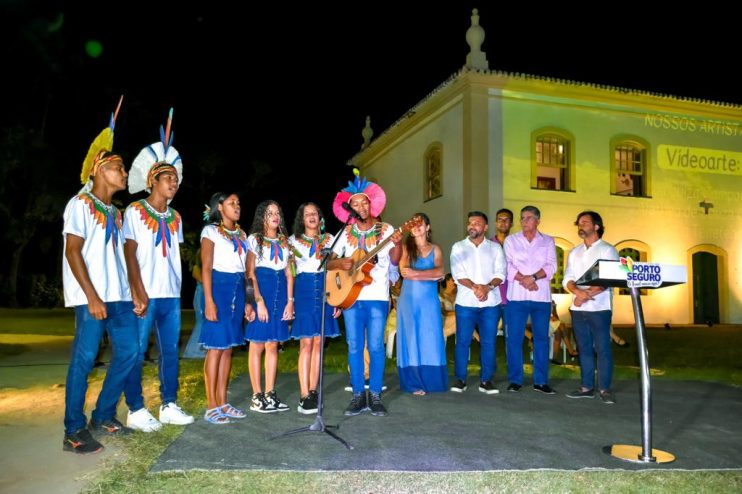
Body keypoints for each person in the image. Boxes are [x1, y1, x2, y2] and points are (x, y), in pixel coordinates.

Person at [62, 101, 139, 453]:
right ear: (98, 170)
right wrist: (92, 296)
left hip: (119, 297)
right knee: (84, 358)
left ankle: (103, 415)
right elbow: (73, 251)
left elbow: (120, 258)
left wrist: (133, 291)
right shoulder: (80, 204)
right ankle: (73, 428)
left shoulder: (116, 212)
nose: (124, 173)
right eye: (118, 167)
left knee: (130, 352)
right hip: (92, 296)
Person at [122, 110, 194, 432]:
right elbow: (130, 251)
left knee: (169, 352)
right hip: (144, 295)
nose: (174, 184)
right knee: (136, 351)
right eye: (169, 179)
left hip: (170, 295)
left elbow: (171, 255)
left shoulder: (176, 217)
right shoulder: (134, 211)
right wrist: (138, 289)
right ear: (153, 180)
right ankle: (135, 409)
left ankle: (169, 404)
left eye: (176, 180)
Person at [328, 172, 402, 416]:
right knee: (354, 346)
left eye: (364, 202)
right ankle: (359, 395)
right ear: (350, 207)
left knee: (376, 347)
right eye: (355, 204)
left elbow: (395, 259)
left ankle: (376, 395)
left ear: (372, 204)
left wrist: (399, 243)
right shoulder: (345, 234)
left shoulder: (386, 229)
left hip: (377, 297)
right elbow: (328, 262)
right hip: (351, 299)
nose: (360, 207)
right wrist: (341, 265)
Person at [200, 192, 254, 424]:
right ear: (220, 207)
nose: (237, 206)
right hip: (218, 291)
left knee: (228, 349)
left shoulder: (243, 234)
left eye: (239, 202)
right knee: (215, 348)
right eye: (232, 203)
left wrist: (248, 300)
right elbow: (206, 268)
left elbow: (247, 271)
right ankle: (211, 405)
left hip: (237, 290)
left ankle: (223, 401)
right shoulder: (210, 231)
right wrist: (209, 301)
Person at [288, 202, 341, 414]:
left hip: (325, 291)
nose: (311, 216)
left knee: (319, 343)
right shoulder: (292, 241)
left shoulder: (331, 240)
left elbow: (337, 271)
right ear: (302, 219)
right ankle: (303, 395)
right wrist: (289, 300)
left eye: (315, 213)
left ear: (320, 218)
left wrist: (337, 299)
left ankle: (313, 390)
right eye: (307, 214)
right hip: (304, 290)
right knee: (306, 344)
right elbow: (290, 272)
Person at [563, 211, 620, 404]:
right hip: (578, 309)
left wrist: (585, 296)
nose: (581, 226)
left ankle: (604, 389)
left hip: (600, 308)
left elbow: (608, 279)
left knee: (602, 348)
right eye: (579, 223)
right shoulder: (574, 252)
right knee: (584, 348)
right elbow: (567, 278)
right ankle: (587, 387)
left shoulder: (607, 250)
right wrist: (577, 293)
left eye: (585, 222)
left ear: (596, 226)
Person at [449, 211, 506, 395]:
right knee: (463, 342)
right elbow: (458, 274)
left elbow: (501, 274)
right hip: (466, 303)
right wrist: (476, 287)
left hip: (491, 304)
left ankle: (486, 380)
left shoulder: (495, 248)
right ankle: (460, 379)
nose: (472, 226)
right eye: (470, 223)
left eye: (477, 223)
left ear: (485, 227)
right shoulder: (458, 247)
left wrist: (487, 287)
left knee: (489, 342)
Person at [245, 200, 293, 413]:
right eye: (269, 213)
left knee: (273, 344)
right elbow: (250, 273)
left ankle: (270, 394)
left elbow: (289, 274)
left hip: (280, 294)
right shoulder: (254, 240)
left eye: (277, 212)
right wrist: (258, 301)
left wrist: (290, 302)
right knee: (257, 344)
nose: (274, 216)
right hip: (262, 292)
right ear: (262, 217)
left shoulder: (285, 242)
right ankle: (256, 396)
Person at [504, 205, 557, 394]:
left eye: (528, 218)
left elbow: (552, 266)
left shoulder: (548, 241)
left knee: (541, 338)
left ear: (537, 220)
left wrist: (532, 278)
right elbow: (508, 266)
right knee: (514, 339)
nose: (524, 222)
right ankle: (515, 380)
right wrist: (524, 280)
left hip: (541, 297)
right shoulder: (511, 240)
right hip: (517, 297)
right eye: (522, 218)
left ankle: (541, 381)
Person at [396, 212, 448, 395]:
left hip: (429, 301)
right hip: (408, 301)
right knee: (411, 339)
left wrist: (417, 274)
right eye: (413, 223)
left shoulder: (436, 249)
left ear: (427, 227)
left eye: (421, 223)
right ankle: (413, 383)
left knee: (431, 336)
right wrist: (430, 274)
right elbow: (404, 272)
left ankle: (432, 381)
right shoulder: (404, 249)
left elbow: (441, 271)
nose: (416, 226)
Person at [489, 208, 513, 336]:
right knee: (489, 335)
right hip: (493, 297)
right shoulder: (488, 245)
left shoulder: (517, 244)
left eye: (506, 220)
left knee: (511, 336)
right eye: (500, 220)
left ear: (511, 224)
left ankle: (511, 357)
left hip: (512, 298)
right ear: (495, 223)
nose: (503, 223)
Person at [182, 252, 207, 358]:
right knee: (201, 321)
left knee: (204, 322)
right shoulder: (197, 268)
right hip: (201, 295)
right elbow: (201, 280)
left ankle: (200, 349)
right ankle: (191, 351)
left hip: (205, 295)